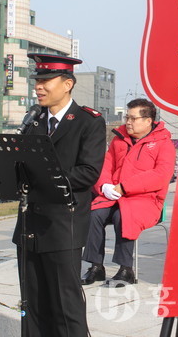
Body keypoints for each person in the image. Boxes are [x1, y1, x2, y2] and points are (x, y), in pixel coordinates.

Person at [12, 53, 106, 336]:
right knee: (32, 302)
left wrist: (48, 178)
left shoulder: (88, 122)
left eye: (45, 80)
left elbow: (89, 172)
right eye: (37, 81)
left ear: (67, 84)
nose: (38, 87)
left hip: (65, 223)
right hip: (30, 224)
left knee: (66, 304)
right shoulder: (34, 120)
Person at [81, 98, 176, 286]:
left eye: (133, 118)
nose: (128, 122)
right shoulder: (118, 140)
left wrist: (125, 187)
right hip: (114, 196)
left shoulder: (163, 143)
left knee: (123, 216)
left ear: (148, 120)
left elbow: (161, 175)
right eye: (127, 117)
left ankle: (126, 269)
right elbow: (105, 166)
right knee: (93, 213)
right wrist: (104, 186)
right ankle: (96, 266)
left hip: (146, 199)